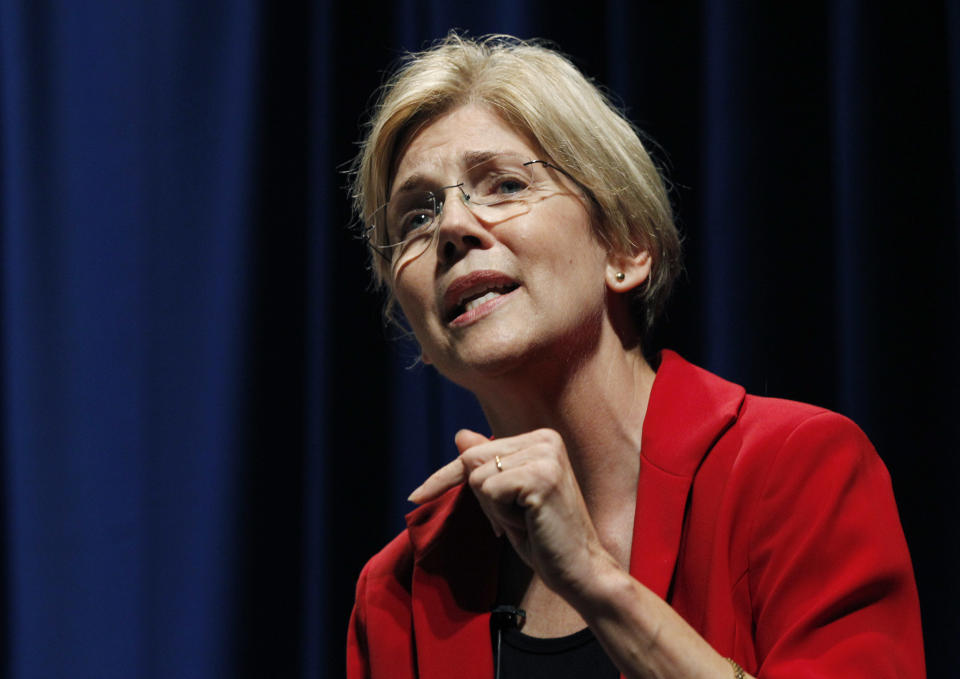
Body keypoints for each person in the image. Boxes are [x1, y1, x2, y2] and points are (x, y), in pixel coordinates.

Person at [346, 33, 925, 679]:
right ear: (415, 325)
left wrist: (596, 581)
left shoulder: (794, 470)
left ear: (625, 247)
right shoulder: (396, 590)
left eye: (504, 184)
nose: (452, 226)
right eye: (414, 220)